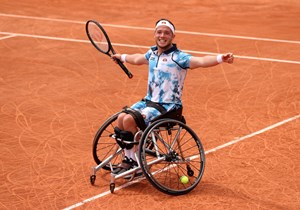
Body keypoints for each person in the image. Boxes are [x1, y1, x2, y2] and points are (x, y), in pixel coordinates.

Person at [111, 18, 234, 175]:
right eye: (159, 32)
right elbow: (136, 58)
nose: (162, 35)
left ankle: (135, 162)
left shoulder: (179, 57)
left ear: (172, 36)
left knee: (128, 120)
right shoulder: (152, 54)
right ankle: (130, 159)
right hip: (149, 102)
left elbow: (201, 61)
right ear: (155, 34)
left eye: (166, 33)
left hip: (169, 107)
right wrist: (121, 57)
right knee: (121, 117)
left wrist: (220, 58)